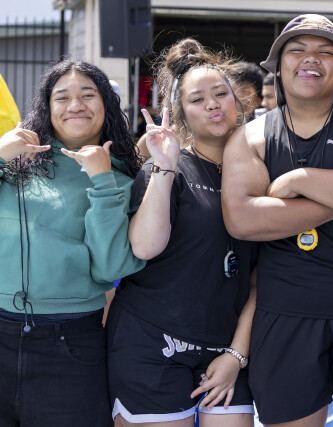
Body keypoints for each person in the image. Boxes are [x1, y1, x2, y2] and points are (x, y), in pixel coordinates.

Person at [222, 14, 333, 427]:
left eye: (325, 52)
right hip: (285, 314)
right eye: (297, 50)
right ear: (278, 66)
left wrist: (299, 180)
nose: (310, 59)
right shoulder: (252, 135)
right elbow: (243, 220)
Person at [107, 39, 257, 426]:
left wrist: (237, 354)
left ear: (239, 101)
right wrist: (165, 166)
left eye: (220, 93)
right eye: (197, 99)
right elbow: (144, 246)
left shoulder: (261, 174)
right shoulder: (166, 169)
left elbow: (265, 276)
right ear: (181, 114)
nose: (212, 105)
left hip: (225, 352)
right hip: (151, 344)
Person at [0, 59, 144, 426]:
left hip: (70, 343)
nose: (75, 105)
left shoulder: (124, 181)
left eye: (87, 95)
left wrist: (102, 181)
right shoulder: (15, 162)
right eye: (62, 97)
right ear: (47, 108)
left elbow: (110, 267)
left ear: (106, 104)